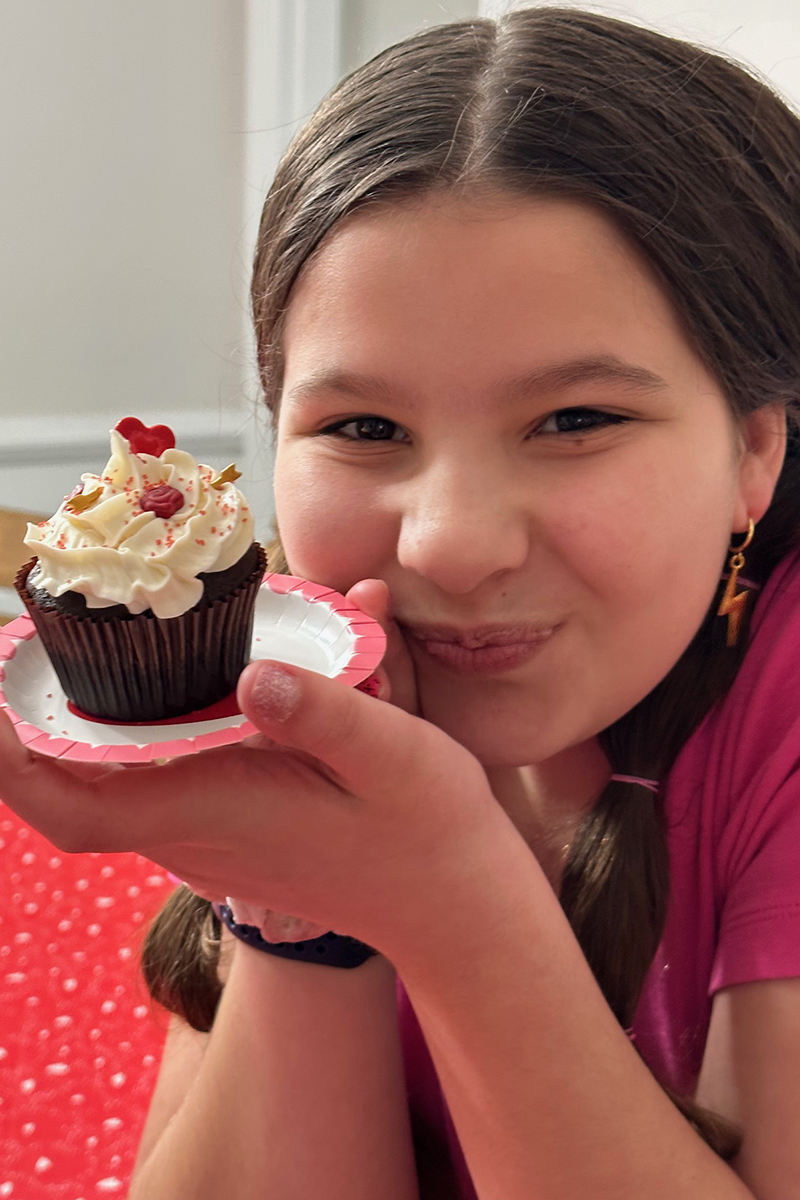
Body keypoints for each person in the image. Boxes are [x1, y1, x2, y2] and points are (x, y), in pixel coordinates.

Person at [1, 5, 800, 1196]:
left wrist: (448, 900)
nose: (451, 546)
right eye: (365, 428)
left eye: (574, 419)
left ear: (752, 449)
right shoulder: (289, 676)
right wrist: (303, 904)